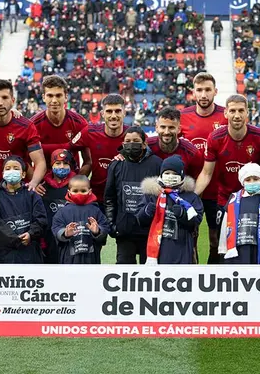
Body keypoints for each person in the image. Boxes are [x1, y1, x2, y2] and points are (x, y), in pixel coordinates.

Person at [180, 73, 227, 264]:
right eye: (199, 90)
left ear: (215, 91)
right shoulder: (183, 117)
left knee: (216, 240)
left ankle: (213, 275)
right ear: (193, 93)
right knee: (190, 237)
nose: (204, 94)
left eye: (208, 90)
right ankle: (193, 275)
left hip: (219, 191)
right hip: (192, 190)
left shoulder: (226, 115)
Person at [196, 94, 260, 208]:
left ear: (247, 113)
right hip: (226, 199)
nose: (237, 115)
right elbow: (206, 174)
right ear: (225, 113)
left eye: (241, 111)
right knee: (218, 227)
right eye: (232, 111)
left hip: (255, 197)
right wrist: (192, 196)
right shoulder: (215, 138)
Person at [104, 127, 163, 264]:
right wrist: (112, 225)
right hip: (125, 232)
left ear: (144, 144)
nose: (131, 144)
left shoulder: (157, 164)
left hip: (149, 232)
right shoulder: (116, 165)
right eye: (128, 141)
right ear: (123, 144)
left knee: (148, 274)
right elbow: (109, 198)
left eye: (136, 141)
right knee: (124, 272)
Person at [138, 156, 204, 265]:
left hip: (181, 248)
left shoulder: (190, 197)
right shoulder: (152, 194)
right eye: (167, 173)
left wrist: (183, 214)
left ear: (181, 175)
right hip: (157, 249)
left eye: (174, 174)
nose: (170, 176)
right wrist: (146, 211)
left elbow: (196, 220)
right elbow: (140, 220)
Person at [0, 156, 48, 264]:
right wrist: (13, 238)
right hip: (5, 254)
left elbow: (41, 220)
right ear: (3, 173)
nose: (12, 171)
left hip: (31, 252)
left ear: (23, 174)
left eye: (16, 168)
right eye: (8, 168)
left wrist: (30, 234)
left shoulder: (32, 195)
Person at [71, 94, 129, 205]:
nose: (113, 115)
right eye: (109, 111)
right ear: (102, 114)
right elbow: (68, 149)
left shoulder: (132, 135)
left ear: (124, 113)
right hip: (95, 199)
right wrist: (76, 173)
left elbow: (149, 155)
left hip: (123, 200)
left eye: (117, 111)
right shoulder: (90, 132)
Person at [217, 163, 260, 264]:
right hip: (238, 247)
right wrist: (223, 248)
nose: (252, 182)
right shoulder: (233, 199)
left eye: (255, 179)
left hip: (258, 245)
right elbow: (225, 225)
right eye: (248, 180)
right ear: (243, 182)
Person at [30, 75, 87, 170]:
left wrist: (78, 181)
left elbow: (88, 161)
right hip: (42, 181)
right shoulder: (33, 125)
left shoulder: (79, 123)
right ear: (44, 97)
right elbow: (26, 161)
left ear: (66, 97)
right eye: (50, 95)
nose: (54, 100)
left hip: (71, 181)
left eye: (58, 95)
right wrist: (35, 183)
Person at [51, 175, 110, 264]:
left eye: (83, 191)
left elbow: (105, 228)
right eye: (75, 191)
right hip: (68, 259)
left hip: (91, 259)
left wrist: (97, 231)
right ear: (69, 192)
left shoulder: (96, 211)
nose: (79, 193)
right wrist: (65, 233)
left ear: (90, 191)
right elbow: (56, 228)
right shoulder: (62, 212)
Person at [146, 107, 204, 187]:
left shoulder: (192, 153)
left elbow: (197, 182)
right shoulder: (146, 146)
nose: (166, 132)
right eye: (163, 127)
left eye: (171, 127)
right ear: (156, 128)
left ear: (179, 129)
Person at [39, 149, 77, 264]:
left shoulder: (76, 187)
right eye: (58, 163)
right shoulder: (42, 188)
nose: (62, 166)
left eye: (66, 164)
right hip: (48, 238)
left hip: (71, 237)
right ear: (52, 165)